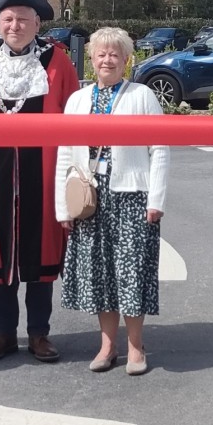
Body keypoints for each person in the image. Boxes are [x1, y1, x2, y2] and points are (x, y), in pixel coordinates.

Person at [0, 0, 80, 362]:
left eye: (23, 20)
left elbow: (72, 112)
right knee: (2, 249)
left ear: (37, 24)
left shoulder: (57, 61)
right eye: (8, 19)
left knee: (40, 245)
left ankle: (38, 332)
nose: (15, 25)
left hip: (43, 169)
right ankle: (2, 331)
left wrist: (70, 166)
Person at [55, 27, 168, 376]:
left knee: (131, 272)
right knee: (100, 273)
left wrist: (157, 198)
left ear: (126, 59)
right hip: (89, 195)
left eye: (114, 54)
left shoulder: (142, 96)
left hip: (132, 194)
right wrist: (63, 206)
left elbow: (160, 149)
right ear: (91, 60)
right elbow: (64, 154)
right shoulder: (77, 100)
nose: (107, 60)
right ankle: (107, 346)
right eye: (101, 54)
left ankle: (136, 347)